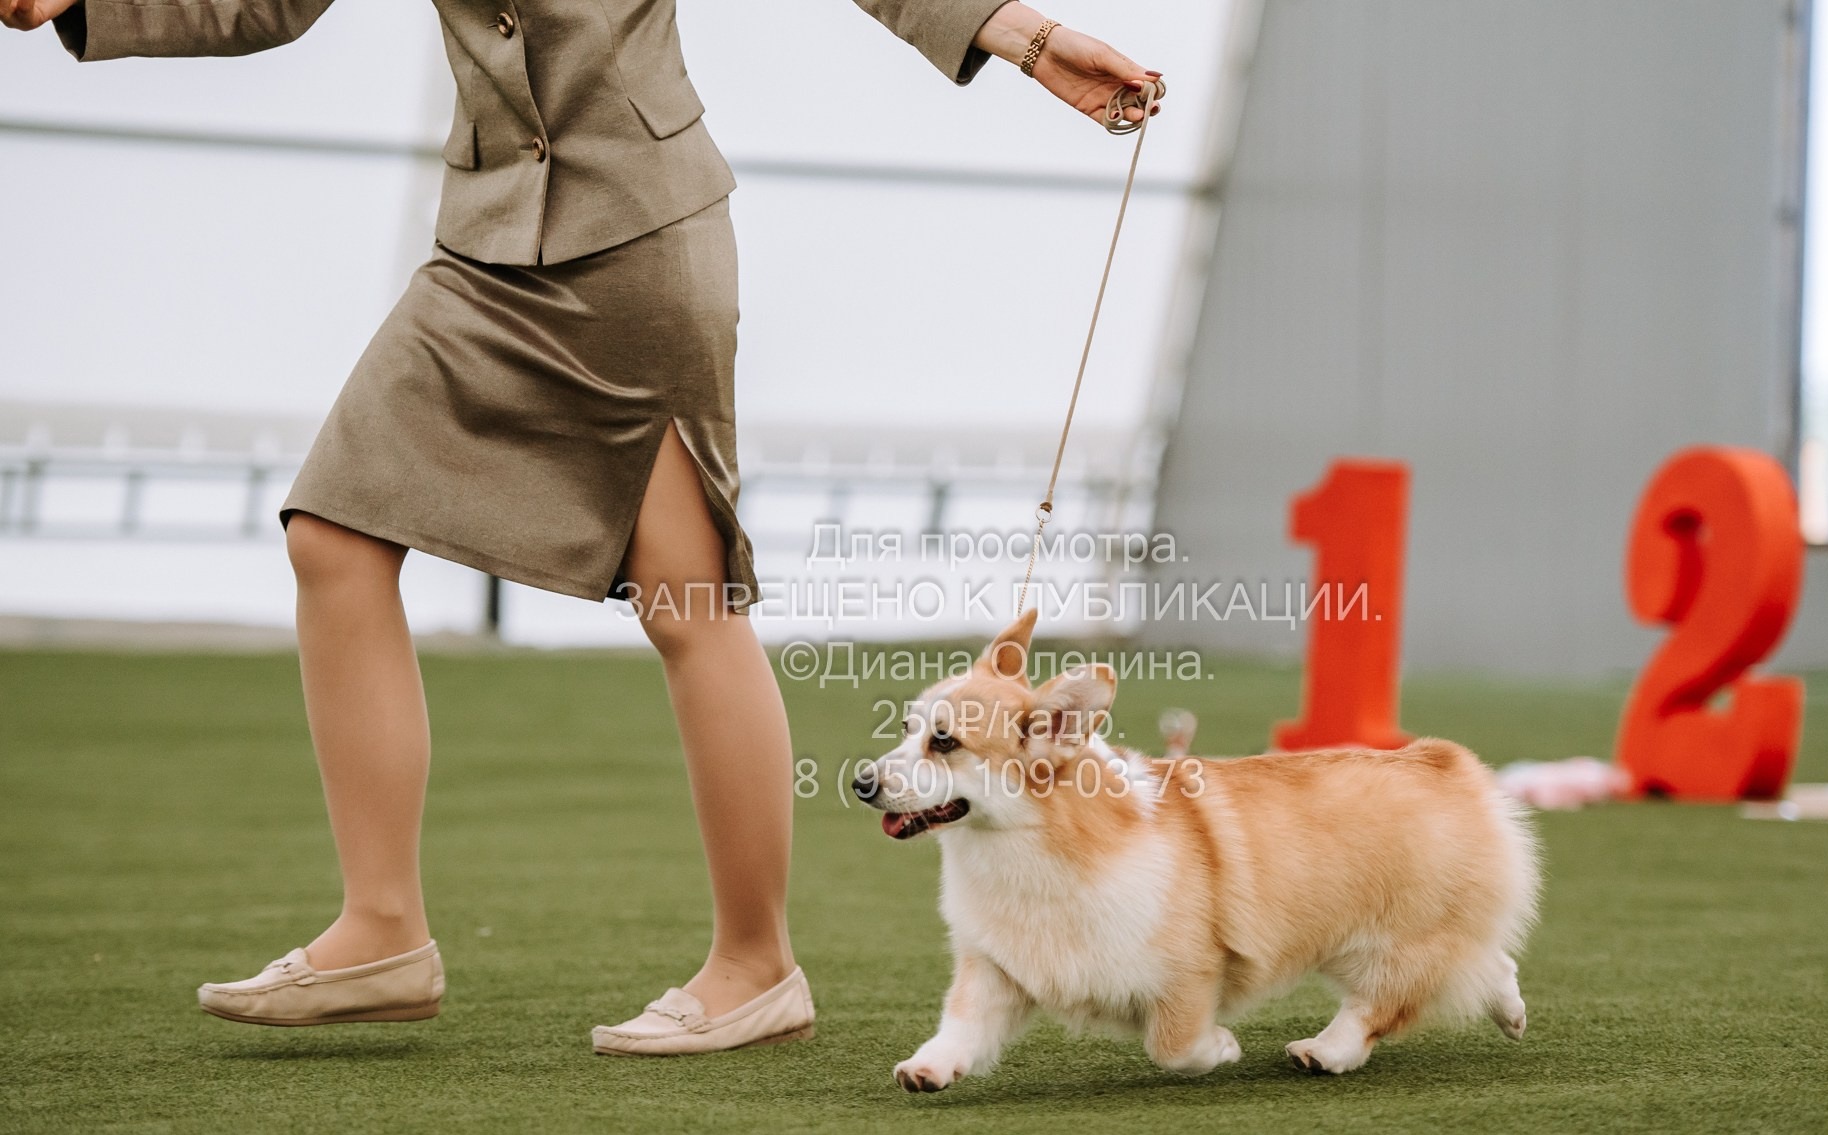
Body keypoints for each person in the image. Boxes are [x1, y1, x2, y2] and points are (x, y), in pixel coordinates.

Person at [0, 0, 1163, 1053]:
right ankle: (382, 928)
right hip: (481, 250)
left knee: (687, 604)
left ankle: (755, 967)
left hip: (638, 244)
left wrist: (1018, 34)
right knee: (333, 533)